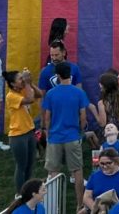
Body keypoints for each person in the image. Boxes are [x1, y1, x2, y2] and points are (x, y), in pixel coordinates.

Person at [41, 62, 89, 206]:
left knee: (53, 171)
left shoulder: (51, 94)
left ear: (58, 76)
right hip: (73, 136)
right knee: (77, 170)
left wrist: (47, 131)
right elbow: (83, 116)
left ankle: (52, 205)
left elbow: (47, 116)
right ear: (70, 75)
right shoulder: (79, 92)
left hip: (55, 137)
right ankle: (79, 204)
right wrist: (81, 130)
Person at [4, 69, 37, 192]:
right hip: (18, 136)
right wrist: (27, 83)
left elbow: (38, 95)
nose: (22, 80)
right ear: (13, 84)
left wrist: (31, 83)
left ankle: (28, 190)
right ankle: (19, 193)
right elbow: (30, 100)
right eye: (20, 79)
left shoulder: (22, 90)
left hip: (29, 131)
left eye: (22, 78)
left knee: (30, 165)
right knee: (21, 166)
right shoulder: (11, 96)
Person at [83, 148, 119, 212]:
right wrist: (96, 209)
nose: (105, 166)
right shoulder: (95, 176)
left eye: (108, 163)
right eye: (102, 164)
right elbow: (87, 197)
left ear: (116, 162)